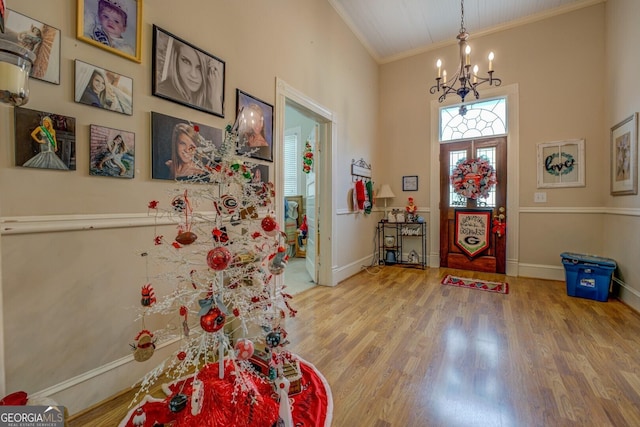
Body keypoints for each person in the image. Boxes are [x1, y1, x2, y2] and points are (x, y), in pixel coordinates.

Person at [157, 39, 222, 113]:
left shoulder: (206, 100)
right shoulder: (163, 90)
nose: (193, 74)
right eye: (186, 62)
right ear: (176, 60)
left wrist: (215, 98)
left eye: (199, 68)